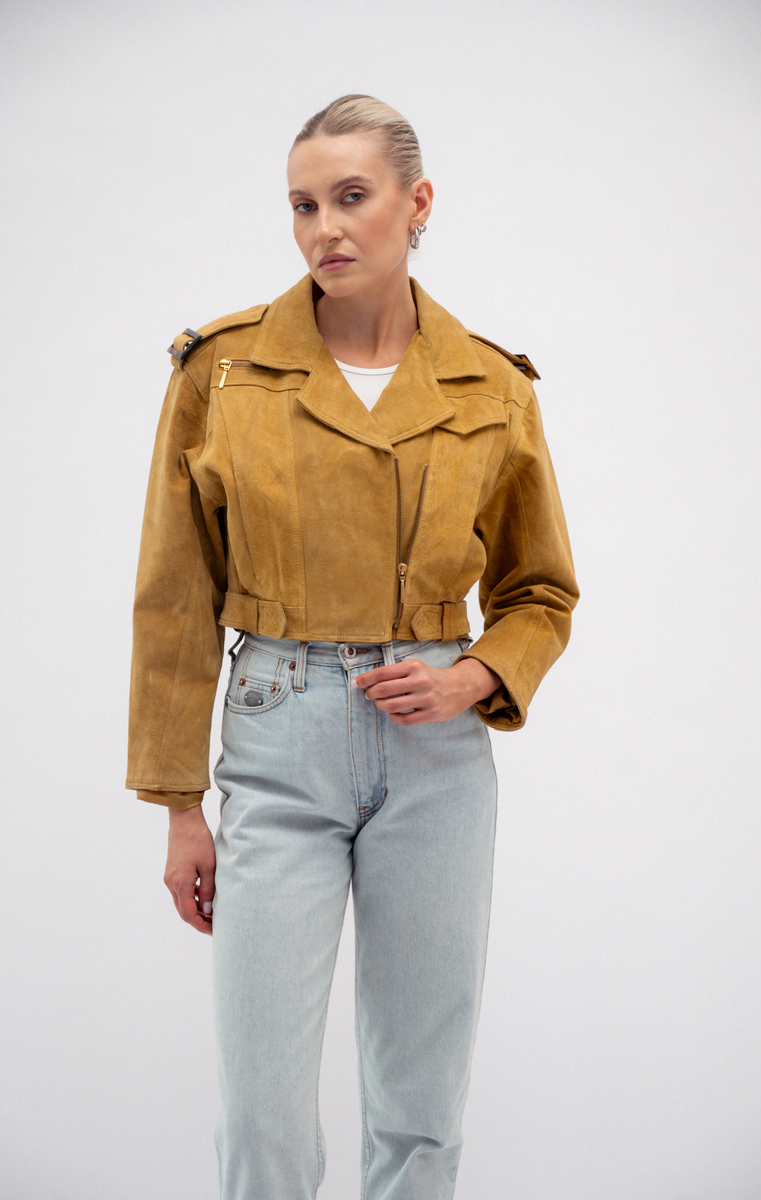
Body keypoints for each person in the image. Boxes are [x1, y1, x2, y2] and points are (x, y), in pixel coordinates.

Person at [127, 94, 579, 1200]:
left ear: (416, 204)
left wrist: (476, 674)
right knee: (261, 1103)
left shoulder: (491, 385)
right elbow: (175, 596)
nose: (323, 227)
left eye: (350, 197)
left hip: (436, 755)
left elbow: (539, 590)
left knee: (422, 1093)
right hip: (276, 736)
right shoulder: (221, 372)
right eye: (301, 204)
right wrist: (180, 804)